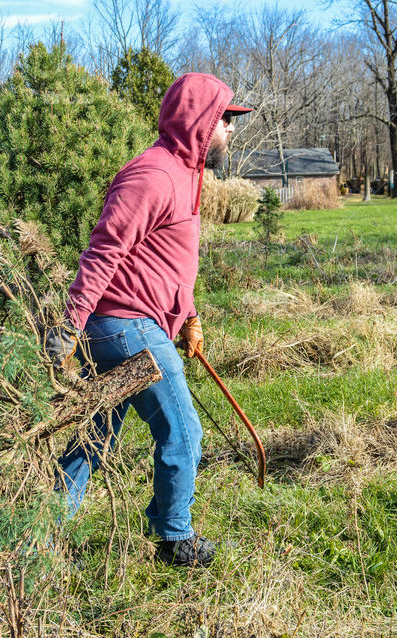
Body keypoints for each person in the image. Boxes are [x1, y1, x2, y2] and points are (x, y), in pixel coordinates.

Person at [45, 73, 252, 567]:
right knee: (184, 433)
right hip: (125, 326)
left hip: (136, 323)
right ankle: (175, 538)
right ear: (201, 122)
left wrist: (189, 317)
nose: (231, 130)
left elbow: (167, 261)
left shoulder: (186, 173)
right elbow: (105, 249)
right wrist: (72, 323)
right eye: (225, 119)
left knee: (94, 436)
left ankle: (37, 537)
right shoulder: (152, 175)